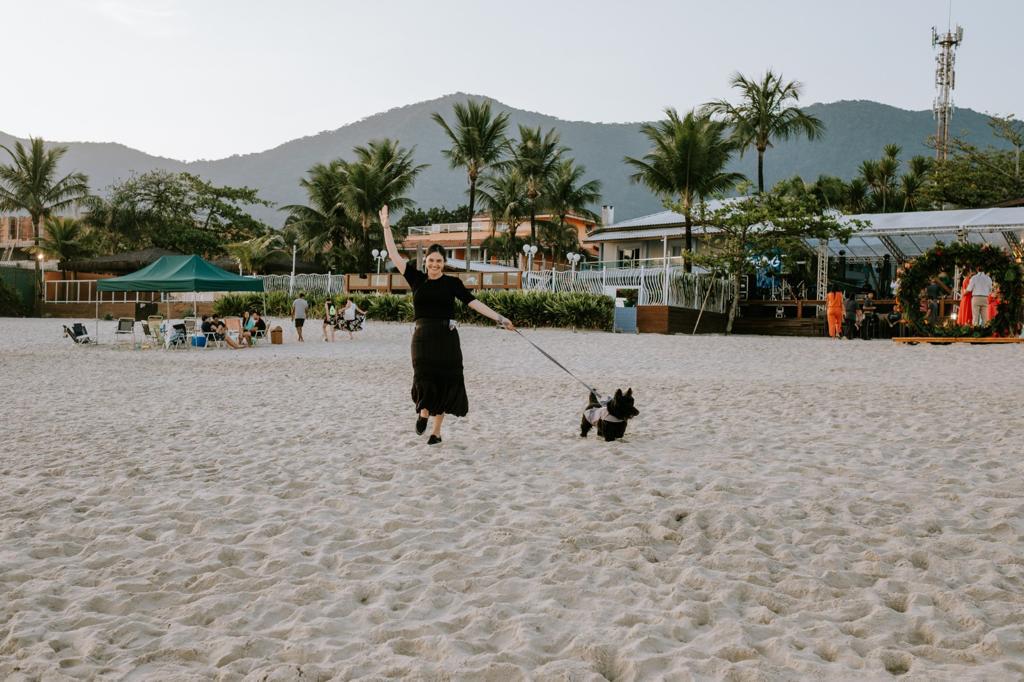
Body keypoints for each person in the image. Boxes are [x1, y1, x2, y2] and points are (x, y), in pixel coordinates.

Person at [380, 204, 515, 445]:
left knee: (445, 381)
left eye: (439, 261)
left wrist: (500, 319)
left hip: (446, 337)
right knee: (423, 377)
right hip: (422, 337)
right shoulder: (417, 279)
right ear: (426, 262)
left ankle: (436, 432)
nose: (434, 264)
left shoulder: (452, 283)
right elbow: (393, 254)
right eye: (431, 260)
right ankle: (423, 412)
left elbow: (474, 303)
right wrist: (386, 227)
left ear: (444, 262)